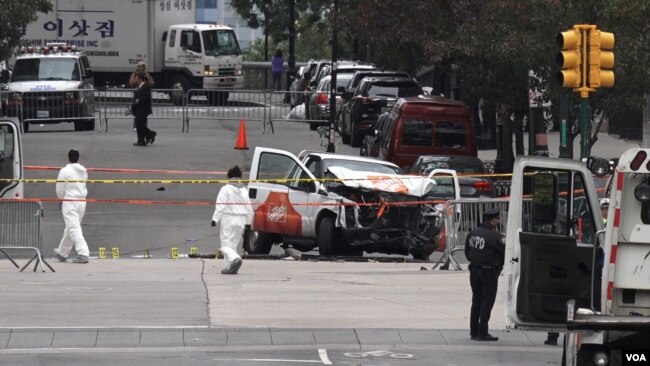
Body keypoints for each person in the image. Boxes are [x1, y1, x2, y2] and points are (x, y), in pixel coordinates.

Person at [464, 207, 505, 341]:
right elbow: (507, 250)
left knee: (476, 301)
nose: (499, 221)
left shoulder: (473, 233)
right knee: (487, 302)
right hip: (488, 272)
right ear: (493, 220)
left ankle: (474, 331)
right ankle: (483, 332)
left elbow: (467, 252)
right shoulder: (496, 236)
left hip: (474, 271)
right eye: (498, 219)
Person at [211, 166, 253, 274]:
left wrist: (215, 219)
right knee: (234, 244)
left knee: (225, 245)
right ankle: (231, 267)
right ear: (240, 177)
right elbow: (249, 208)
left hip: (229, 218)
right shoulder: (244, 190)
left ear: (228, 177)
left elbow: (221, 206)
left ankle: (235, 260)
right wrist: (248, 223)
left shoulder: (225, 189)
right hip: (241, 220)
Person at [53, 149, 90, 264]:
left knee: (73, 228)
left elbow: (60, 189)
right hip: (82, 201)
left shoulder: (64, 171)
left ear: (68, 158)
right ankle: (62, 252)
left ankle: (83, 253)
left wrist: (60, 199)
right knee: (71, 227)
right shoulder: (84, 171)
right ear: (78, 158)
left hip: (70, 201)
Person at [130, 71, 156, 146]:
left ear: (140, 79)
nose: (135, 80)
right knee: (139, 125)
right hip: (138, 108)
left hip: (143, 109)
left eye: (136, 78)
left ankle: (151, 134)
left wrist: (139, 100)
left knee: (140, 125)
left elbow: (147, 97)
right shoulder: (139, 86)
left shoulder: (146, 86)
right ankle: (141, 140)